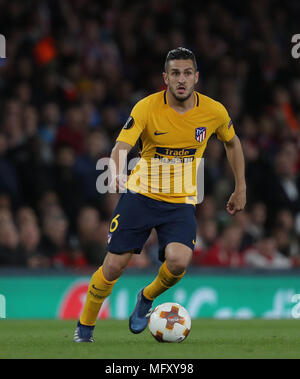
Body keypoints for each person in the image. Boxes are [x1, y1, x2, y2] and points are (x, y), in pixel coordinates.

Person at [74, 47, 246, 342]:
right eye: (176, 73)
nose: (182, 79)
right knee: (114, 266)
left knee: (179, 261)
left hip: (179, 203)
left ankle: (146, 297)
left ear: (196, 77)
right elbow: (121, 147)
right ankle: (85, 328)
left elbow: (232, 143)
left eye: (187, 73)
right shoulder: (146, 107)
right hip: (141, 196)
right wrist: (116, 171)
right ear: (165, 78)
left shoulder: (214, 111)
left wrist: (240, 186)